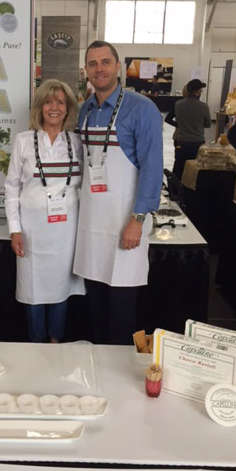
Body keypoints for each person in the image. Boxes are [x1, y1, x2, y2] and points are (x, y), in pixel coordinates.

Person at [73, 40, 163, 345]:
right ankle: (98, 368)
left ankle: (121, 379)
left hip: (126, 221)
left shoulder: (142, 109)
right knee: (95, 304)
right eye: (93, 63)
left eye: (105, 62)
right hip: (92, 223)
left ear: (118, 67)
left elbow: (152, 168)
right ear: (86, 69)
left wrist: (137, 219)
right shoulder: (86, 108)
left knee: (122, 309)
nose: (99, 69)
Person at [5, 79, 85, 343]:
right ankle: (36, 344)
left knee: (61, 288)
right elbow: (11, 188)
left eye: (61, 102)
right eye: (48, 101)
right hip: (31, 231)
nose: (54, 107)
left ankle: (55, 342)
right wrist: (14, 230)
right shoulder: (23, 141)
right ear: (39, 107)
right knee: (33, 290)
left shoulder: (77, 142)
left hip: (66, 232)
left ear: (68, 108)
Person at [166, 78, 211, 179]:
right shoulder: (204, 106)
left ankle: (175, 190)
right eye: (200, 90)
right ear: (197, 92)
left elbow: (168, 118)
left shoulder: (178, 104)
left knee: (179, 167)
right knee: (195, 169)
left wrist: (180, 125)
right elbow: (208, 124)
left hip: (182, 142)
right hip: (197, 143)